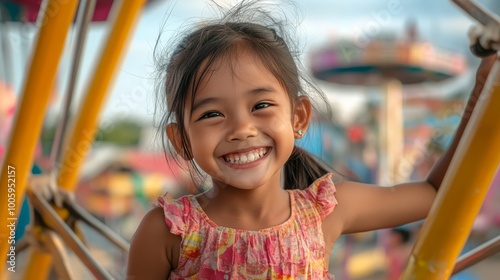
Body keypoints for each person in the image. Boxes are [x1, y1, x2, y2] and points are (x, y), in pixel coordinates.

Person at [126, 2, 499, 279]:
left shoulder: (327, 210)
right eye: (211, 114)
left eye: (261, 105)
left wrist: (482, 92)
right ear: (182, 141)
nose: (241, 128)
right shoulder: (167, 231)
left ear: (299, 118)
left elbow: (438, 194)